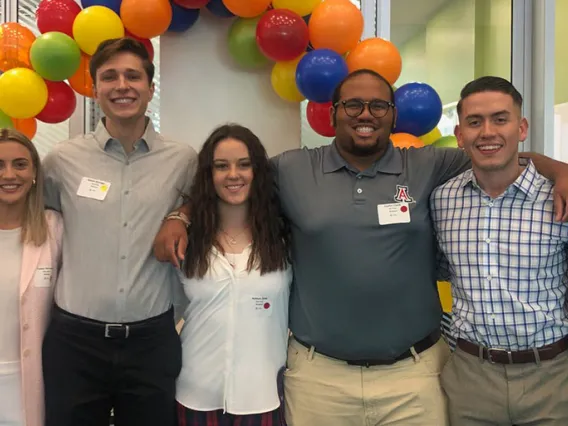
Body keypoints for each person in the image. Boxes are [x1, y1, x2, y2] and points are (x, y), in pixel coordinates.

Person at [154, 69, 568, 426]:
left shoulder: (427, 165)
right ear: (332, 114)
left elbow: (497, 153)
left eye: (378, 106)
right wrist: (181, 215)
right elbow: (232, 181)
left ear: (392, 115)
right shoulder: (294, 168)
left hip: (415, 376)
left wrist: (560, 169)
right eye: (353, 105)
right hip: (319, 378)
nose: (365, 115)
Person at [41, 37, 197, 426]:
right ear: (95, 89)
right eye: (109, 77)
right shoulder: (62, 160)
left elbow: (209, 203)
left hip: (151, 342)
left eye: (133, 76)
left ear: (150, 88)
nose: (122, 85)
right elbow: (37, 228)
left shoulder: (183, 159)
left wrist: (183, 214)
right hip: (73, 342)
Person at [430, 76, 568, 426]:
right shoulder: (442, 200)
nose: (487, 132)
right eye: (475, 122)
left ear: (521, 129)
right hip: (470, 379)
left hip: (552, 377)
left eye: (500, 119)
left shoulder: (559, 197)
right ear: (460, 135)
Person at [175, 124, 291, 425]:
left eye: (244, 165)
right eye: (221, 166)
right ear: (208, 175)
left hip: (262, 395)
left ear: (258, 171)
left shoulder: (284, 237)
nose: (233, 175)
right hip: (195, 393)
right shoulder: (187, 238)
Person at [0, 128, 63, 426]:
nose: (9, 174)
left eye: (20, 164)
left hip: (32, 378)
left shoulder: (54, 229)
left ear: (35, 172)